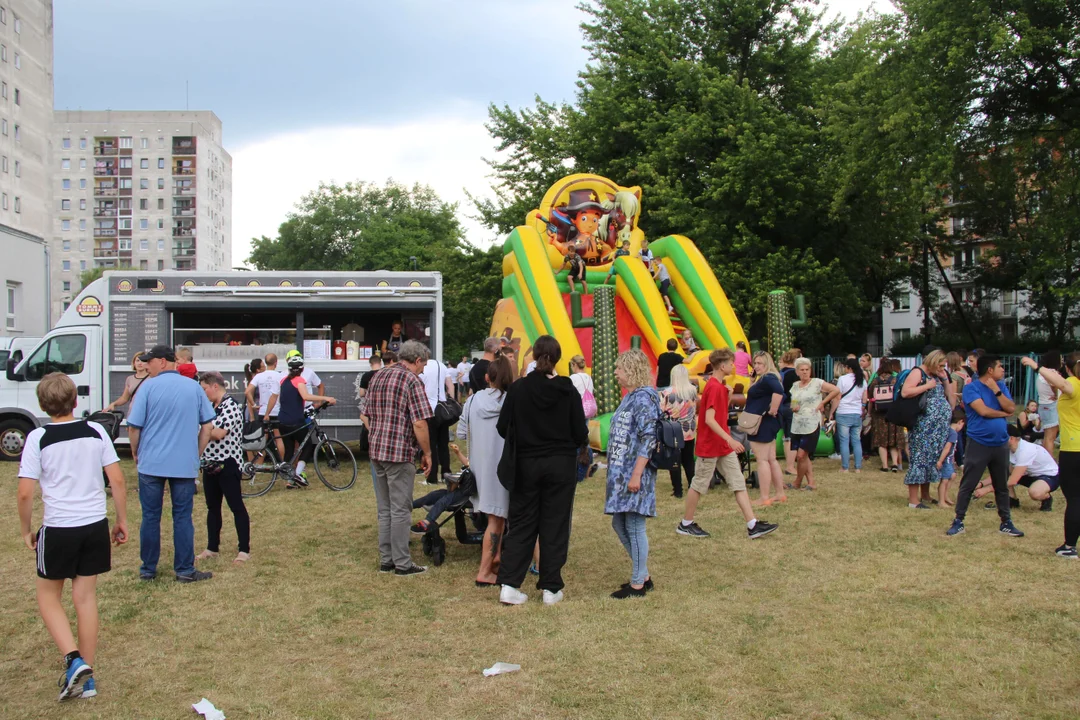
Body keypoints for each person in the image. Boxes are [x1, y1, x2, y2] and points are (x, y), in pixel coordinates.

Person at [17, 373, 128, 702]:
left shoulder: (38, 438)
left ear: (41, 405)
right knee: (86, 599)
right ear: (75, 401)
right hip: (94, 526)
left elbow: (25, 493)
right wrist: (121, 520)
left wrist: (25, 529)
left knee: (49, 597)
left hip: (60, 528)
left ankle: (74, 659)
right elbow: (118, 481)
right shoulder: (95, 431)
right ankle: (86, 677)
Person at [496, 335, 589, 606]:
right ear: (557, 358)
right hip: (560, 465)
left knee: (522, 523)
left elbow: (503, 427)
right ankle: (550, 588)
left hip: (525, 464)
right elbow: (580, 432)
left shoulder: (519, 389)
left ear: (534, 356)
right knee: (555, 524)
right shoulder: (567, 389)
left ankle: (510, 585)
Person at [127, 345, 216, 583]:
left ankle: (148, 569)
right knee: (182, 517)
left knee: (150, 516)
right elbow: (207, 427)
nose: (146, 365)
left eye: (150, 361)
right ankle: (185, 570)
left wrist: (135, 451)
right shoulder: (193, 388)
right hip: (183, 464)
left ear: (163, 362)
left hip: (151, 463)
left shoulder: (147, 387)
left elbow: (134, 427)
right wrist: (196, 453)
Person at [677, 347, 778, 539]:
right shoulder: (714, 387)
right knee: (698, 484)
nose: (734, 366)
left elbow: (718, 412)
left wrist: (728, 395)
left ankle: (752, 524)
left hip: (721, 447)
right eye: (731, 363)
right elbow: (709, 419)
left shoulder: (719, 386)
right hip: (710, 446)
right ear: (722, 365)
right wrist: (730, 439)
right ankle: (686, 523)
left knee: (738, 482)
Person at [367, 340, 434, 575]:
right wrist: (427, 453)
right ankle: (403, 564)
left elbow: (366, 415)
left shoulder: (378, 376)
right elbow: (419, 422)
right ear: (417, 361)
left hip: (376, 450)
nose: (423, 370)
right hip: (398, 452)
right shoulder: (411, 380)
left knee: (385, 509)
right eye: (423, 365)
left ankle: (387, 560)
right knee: (400, 509)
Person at [947, 354, 1025, 537]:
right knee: (969, 483)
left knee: (1002, 485)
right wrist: (1002, 413)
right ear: (990, 370)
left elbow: (1011, 408)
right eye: (1000, 367)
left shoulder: (1001, 386)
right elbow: (983, 411)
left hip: (1000, 444)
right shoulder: (971, 388)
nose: (1003, 370)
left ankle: (1006, 522)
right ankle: (958, 520)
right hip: (979, 442)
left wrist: (996, 391)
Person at [605, 349, 660, 598]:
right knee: (619, 523)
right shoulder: (630, 397)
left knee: (635, 524)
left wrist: (637, 474)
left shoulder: (644, 399)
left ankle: (638, 583)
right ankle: (643, 573)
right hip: (622, 474)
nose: (616, 373)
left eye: (619, 368)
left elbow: (649, 438)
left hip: (635, 473)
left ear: (632, 370)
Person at [457, 357, 513, 586]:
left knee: (495, 518)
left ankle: (496, 558)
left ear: (487, 378)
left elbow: (461, 433)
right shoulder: (512, 401)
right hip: (503, 469)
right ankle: (484, 571)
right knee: (497, 520)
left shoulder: (472, 401)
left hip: (479, 469)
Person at [1021, 354, 1079, 557]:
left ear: (1069, 369)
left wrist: (1036, 367)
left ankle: (1069, 547)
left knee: (1074, 500)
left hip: (1074, 450)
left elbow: (1061, 383)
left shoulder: (1072, 385)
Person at [195, 371, 250, 565]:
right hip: (209, 462)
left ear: (214, 386)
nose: (203, 393)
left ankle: (244, 549)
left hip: (228, 463)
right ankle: (212, 547)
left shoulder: (231, 406)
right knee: (212, 507)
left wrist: (202, 429)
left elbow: (218, 433)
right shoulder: (209, 407)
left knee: (236, 506)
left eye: (204, 389)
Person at [264, 354, 337, 487]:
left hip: (282, 420)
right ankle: (297, 474)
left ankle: (290, 480)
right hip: (296, 420)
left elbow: (274, 398)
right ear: (302, 369)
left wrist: (267, 414)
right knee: (308, 445)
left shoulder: (283, 380)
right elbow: (305, 396)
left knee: (289, 449)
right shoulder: (300, 380)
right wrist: (326, 398)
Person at [901, 350, 956, 509]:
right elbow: (906, 392)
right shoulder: (918, 373)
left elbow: (951, 401)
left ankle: (925, 494)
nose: (942, 368)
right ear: (932, 361)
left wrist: (945, 381)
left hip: (937, 429)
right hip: (923, 427)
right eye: (940, 365)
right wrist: (926, 386)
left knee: (930, 459)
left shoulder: (939, 376)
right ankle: (913, 500)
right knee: (919, 458)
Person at [973, 425, 1058, 512]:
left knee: (1035, 493)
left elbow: (1013, 481)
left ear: (1011, 438)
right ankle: (1012, 501)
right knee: (1004, 475)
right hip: (1029, 474)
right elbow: (1002, 473)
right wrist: (980, 484)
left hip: (1050, 475)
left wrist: (987, 489)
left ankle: (1046, 498)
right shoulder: (1008, 449)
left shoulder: (1025, 451)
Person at [788, 357, 840, 491]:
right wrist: (793, 407)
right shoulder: (795, 385)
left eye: (807, 369)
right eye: (802, 370)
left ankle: (797, 481)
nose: (805, 372)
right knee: (802, 456)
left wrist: (823, 402)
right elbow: (793, 400)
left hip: (811, 422)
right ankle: (811, 482)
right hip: (797, 423)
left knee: (801, 455)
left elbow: (835, 390)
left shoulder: (817, 383)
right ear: (797, 371)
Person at [746, 352, 787, 506]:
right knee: (771, 459)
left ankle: (764, 497)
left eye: (760, 363)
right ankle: (779, 493)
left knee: (762, 459)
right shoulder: (765, 378)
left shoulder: (769, 378)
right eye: (755, 363)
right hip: (767, 421)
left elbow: (779, 392)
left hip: (763, 421)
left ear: (767, 364)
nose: (756, 366)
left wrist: (773, 409)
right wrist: (752, 380)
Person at [411, 443, 474, 533]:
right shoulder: (476, 458)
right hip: (462, 489)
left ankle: (427, 522)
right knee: (433, 495)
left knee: (444, 501)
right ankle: (406, 507)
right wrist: (458, 452)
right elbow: (468, 464)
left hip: (468, 495)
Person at [660, 364, 697, 498]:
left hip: (673, 431)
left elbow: (661, 410)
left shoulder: (667, 393)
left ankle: (678, 491)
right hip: (690, 430)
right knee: (689, 460)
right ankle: (693, 487)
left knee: (674, 461)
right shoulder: (692, 391)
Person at [421, 355, 456, 485]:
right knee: (443, 444)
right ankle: (445, 473)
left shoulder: (422, 368)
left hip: (428, 408)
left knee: (431, 445)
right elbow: (450, 385)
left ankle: (432, 477)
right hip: (443, 408)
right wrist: (450, 401)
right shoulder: (441, 365)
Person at [829, 357, 867, 474]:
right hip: (856, 412)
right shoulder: (862, 380)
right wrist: (862, 408)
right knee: (856, 440)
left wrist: (831, 412)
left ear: (849, 368)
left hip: (843, 412)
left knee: (844, 441)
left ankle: (845, 467)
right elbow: (864, 398)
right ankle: (857, 467)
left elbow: (837, 397)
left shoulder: (843, 379)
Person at [867, 358, 904, 472]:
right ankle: (894, 464)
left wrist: (869, 413)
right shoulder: (895, 380)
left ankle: (884, 465)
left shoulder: (875, 380)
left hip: (879, 415)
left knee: (881, 441)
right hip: (893, 414)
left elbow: (870, 398)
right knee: (893, 440)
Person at [246, 353, 285, 459]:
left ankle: (259, 463)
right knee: (278, 437)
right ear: (276, 363)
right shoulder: (280, 375)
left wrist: (254, 404)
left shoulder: (259, 376)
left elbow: (247, 391)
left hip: (263, 411)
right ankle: (281, 462)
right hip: (277, 410)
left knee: (263, 439)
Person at [568, 354, 597, 482]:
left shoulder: (573, 378)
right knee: (585, 440)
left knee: (576, 440)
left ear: (574, 365)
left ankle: (577, 467)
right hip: (588, 410)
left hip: (576, 411)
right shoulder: (588, 377)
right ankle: (588, 466)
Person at [936, 409, 965, 507]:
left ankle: (945, 496)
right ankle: (941, 501)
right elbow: (947, 447)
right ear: (960, 422)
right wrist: (940, 460)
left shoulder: (948, 431)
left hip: (949, 460)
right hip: (945, 460)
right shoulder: (953, 433)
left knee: (952, 475)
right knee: (944, 480)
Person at [778, 349, 800, 476]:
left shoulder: (780, 373)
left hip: (780, 406)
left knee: (786, 438)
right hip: (790, 406)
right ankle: (790, 466)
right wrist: (795, 406)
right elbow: (794, 393)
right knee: (791, 437)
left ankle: (789, 465)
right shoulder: (794, 374)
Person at [1036, 350, 1061, 455]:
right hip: (1051, 406)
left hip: (1043, 404)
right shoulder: (1051, 373)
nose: (1062, 361)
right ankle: (1049, 461)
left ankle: (1046, 459)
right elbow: (1054, 384)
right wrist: (1056, 393)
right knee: (1051, 437)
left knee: (1047, 436)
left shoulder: (1041, 372)